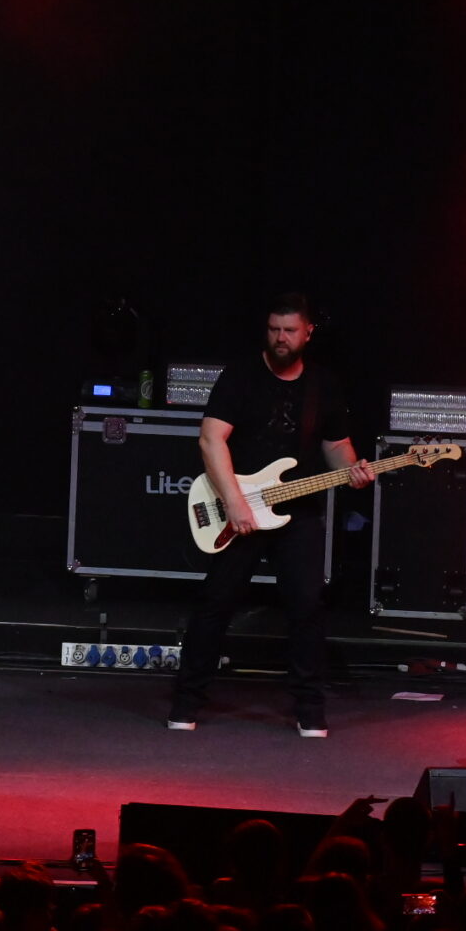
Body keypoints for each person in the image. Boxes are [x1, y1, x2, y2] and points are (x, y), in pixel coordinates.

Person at [166, 293, 374, 737]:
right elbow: (210, 440)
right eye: (274, 329)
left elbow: (336, 446)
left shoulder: (323, 384)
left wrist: (352, 471)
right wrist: (234, 502)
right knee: (215, 603)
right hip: (237, 505)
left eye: (290, 331)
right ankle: (185, 702)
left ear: (308, 332)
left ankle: (310, 709)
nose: (281, 338)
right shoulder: (241, 376)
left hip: (297, 510)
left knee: (307, 605)